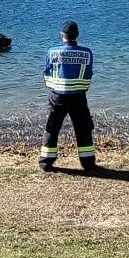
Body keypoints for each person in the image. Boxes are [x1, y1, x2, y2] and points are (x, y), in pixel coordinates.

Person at [39, 20, 96, 173]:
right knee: (83, 128)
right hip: (79, 95)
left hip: (57, 95)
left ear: (62, 35)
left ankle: (46, 162)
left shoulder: (52, 52)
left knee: (52, 127)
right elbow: (89, 73)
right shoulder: (87, 52)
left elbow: (47, 71)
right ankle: (88, 163)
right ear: (77, 35)